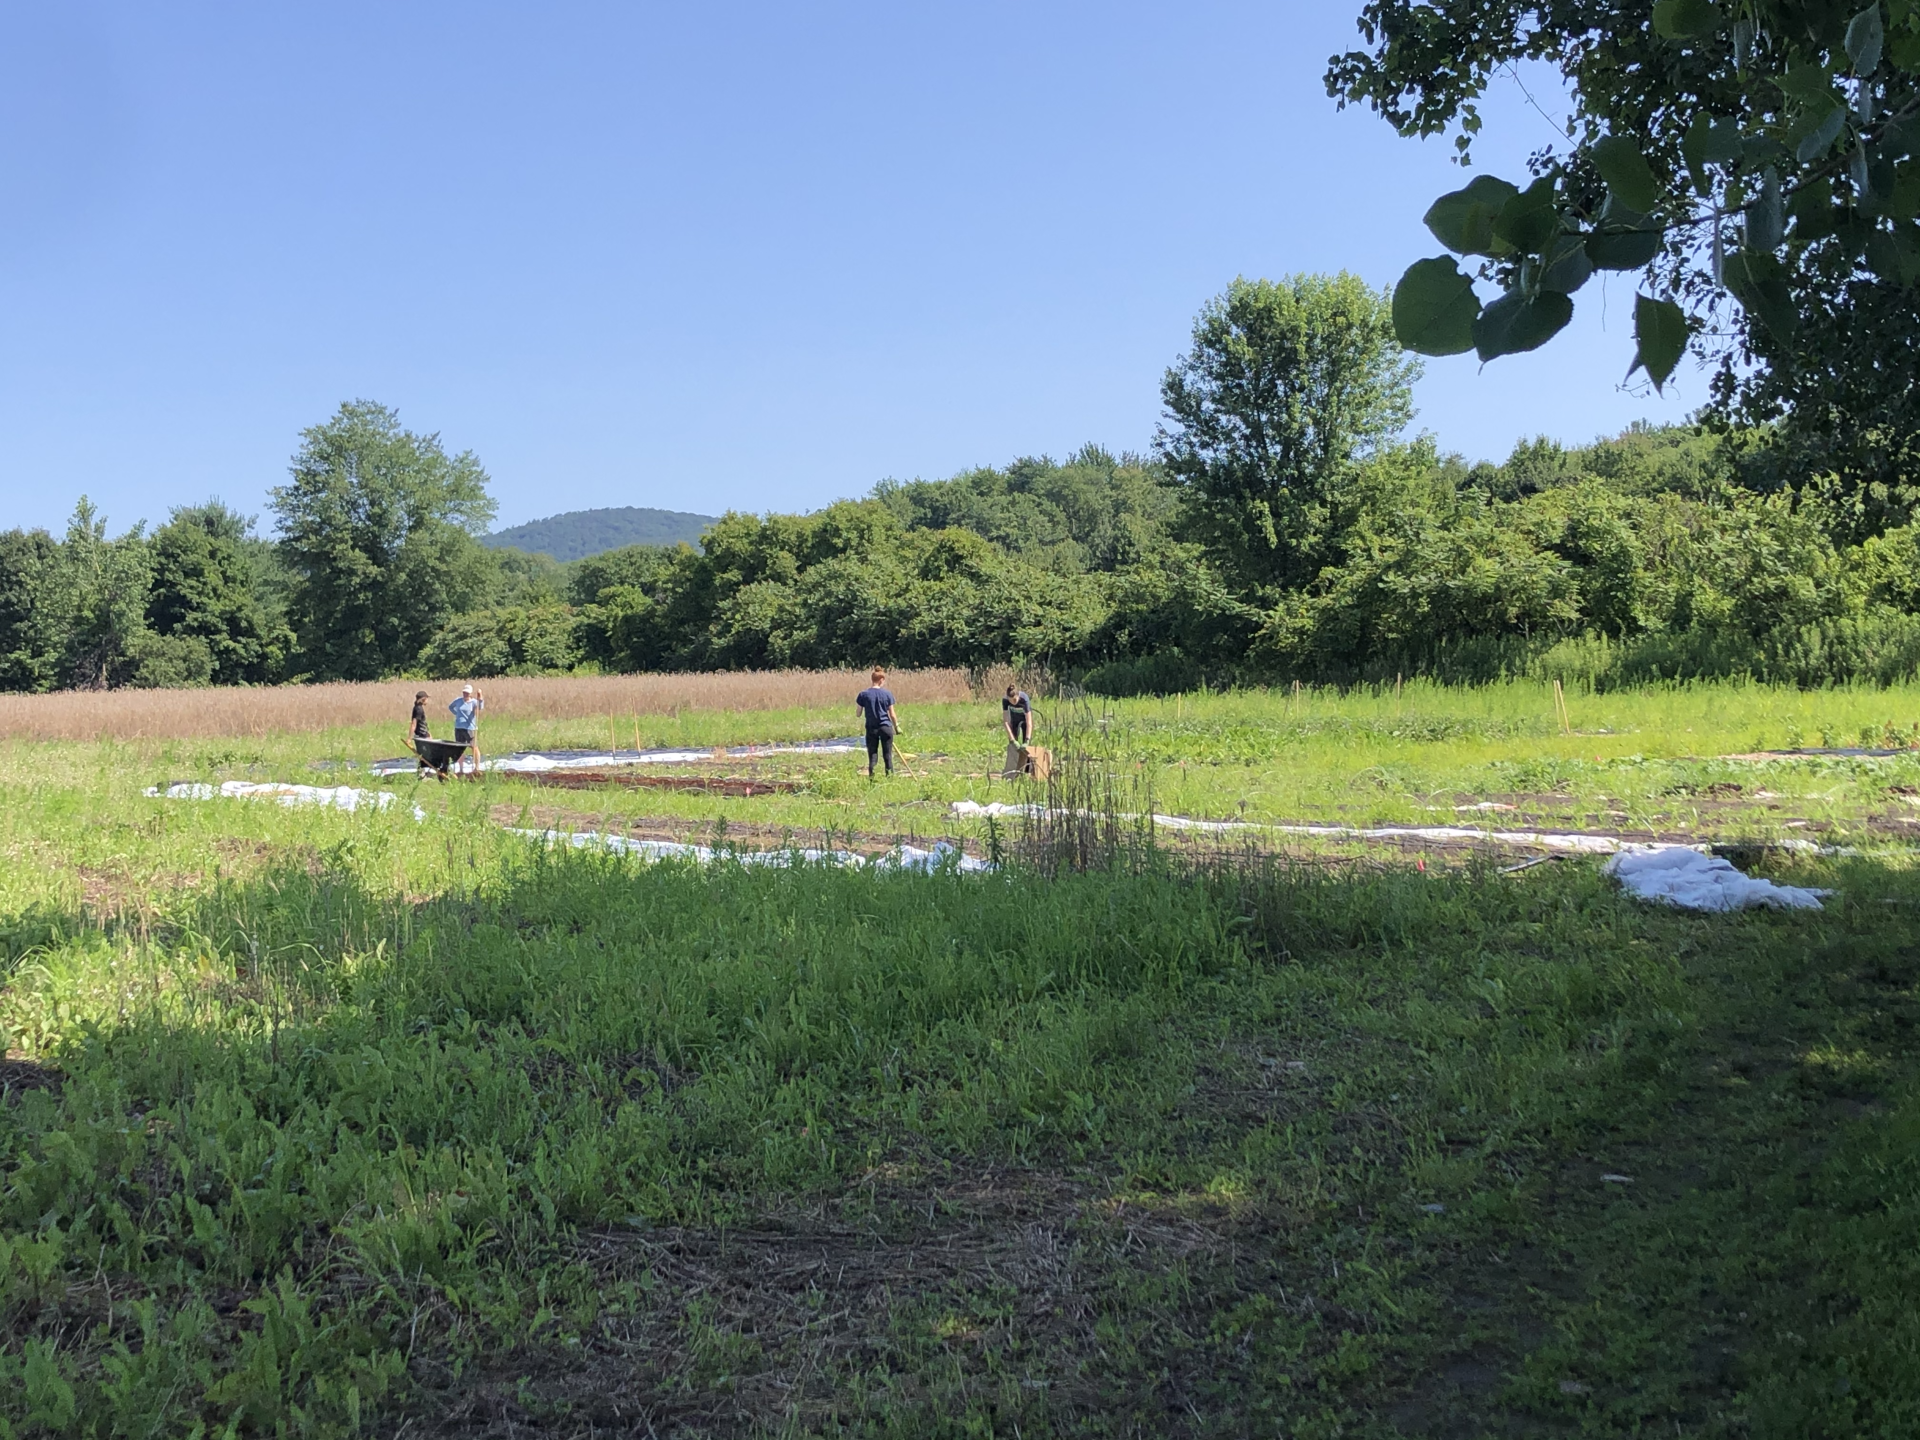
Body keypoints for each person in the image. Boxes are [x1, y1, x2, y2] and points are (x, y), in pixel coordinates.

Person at [855, 668, 899, 777]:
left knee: (873, 755)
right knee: (887, 755)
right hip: (886, 727)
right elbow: (892, 714)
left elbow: (858, 713)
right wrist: (896, 727)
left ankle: (872, 779)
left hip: (871, 728)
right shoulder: (887, 694)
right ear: (881, 680)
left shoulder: (863, 694)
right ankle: (890, 778)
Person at [449, 684, 484, 778]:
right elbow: (451, 707)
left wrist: (480, 697)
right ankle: (461, 768)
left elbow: (480, 707)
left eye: (467, 693)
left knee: (473, 747)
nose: (465, 694)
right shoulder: (458, 700)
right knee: (460, 748)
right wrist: (457, 714)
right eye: (464, 692)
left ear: (470, 693)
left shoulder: (473, 702)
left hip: (470, 728)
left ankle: (476, 767)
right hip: (459, 727)